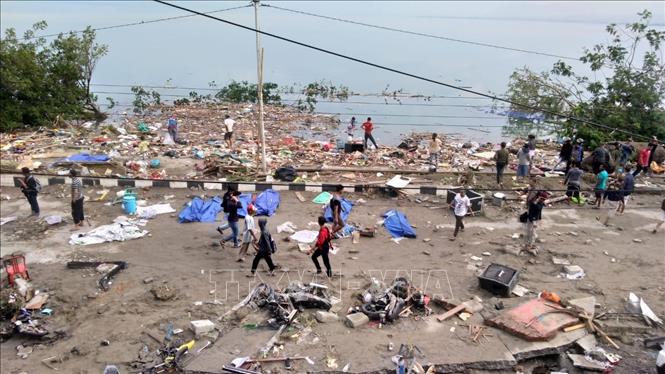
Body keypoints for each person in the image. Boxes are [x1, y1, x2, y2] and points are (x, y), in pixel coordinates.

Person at [523, 184, 546, 255]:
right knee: (530, 232)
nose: (543, 200)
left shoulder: (539, 203)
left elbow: (538, 209)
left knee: (532, 232)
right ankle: (529, 244)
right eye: (542, 199)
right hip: (532, 218)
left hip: (534, 219)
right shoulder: (535, 203)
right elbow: (533, 208)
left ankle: (530, 244)